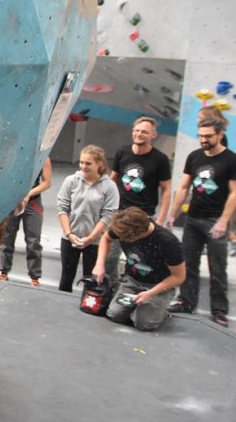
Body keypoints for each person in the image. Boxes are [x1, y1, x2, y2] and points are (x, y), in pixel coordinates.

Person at [166, 116, 236, 327]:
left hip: (216, 219)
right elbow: (184, 187)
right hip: (193, 218)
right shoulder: (194, 156)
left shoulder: (231, 159)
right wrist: (172, 214)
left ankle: (219, 310)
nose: (203, 140)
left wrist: (224, 221)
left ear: (220, 135)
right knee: (188, 262)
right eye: (201, 136)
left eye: (208, 136)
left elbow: (234, 194)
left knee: (217, 266)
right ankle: (186, 301)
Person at [104, 117, 172, 289]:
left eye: (144, 131)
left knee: (141, 260)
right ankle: (113, 289)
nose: (139, 134)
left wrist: (161, 219)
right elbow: (113, 180)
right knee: (110, 257)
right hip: (120, 215)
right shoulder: (122, 152)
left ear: (153, 135)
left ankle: (136, 290)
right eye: (137, 130)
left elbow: (166, 190)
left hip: (144, 218)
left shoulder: (160, 159)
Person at [92, 207, 185, 331]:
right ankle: (138, 304)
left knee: (144, 324)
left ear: (139, 234)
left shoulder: (168, 241)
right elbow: (106, 238)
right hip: (133, 279)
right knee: (114, 314)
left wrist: (151, 293)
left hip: (158, 285)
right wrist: (100, 263)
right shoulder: (123, 226)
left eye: (125, 239)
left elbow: (179, 277)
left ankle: (160, 305)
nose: (123, 241)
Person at [56, 145, 119, 293]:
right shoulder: (71, 181)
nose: (84, 166)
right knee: (66, 276)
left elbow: (108, 215)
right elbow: (62, 208)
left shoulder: (110, 186)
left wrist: (91, 238)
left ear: (100, 164)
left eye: (88, 163)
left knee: (91, 279)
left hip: (95, 241)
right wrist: (69, 234)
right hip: (70, 238)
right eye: (82, 162)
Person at [0, 157, 53, 286]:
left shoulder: (43, 157)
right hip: (13, 199)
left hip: (33, 202)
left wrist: (28, 193)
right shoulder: (17, 152)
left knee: (33, 240)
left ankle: (35, 277)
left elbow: (47, 183)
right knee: (7, 238)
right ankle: (3, 272)